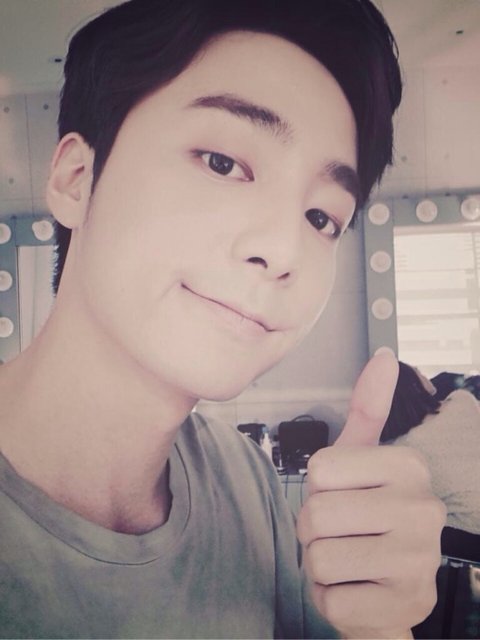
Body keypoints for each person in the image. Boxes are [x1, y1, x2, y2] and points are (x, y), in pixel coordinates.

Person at [0, 1, 445, 638]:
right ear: (76, 179)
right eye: (222, 162)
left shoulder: (249, 485)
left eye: (321, 218)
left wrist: (378, 626)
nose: (284, 251)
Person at [383, 362, 480, 542]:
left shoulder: (401, 451)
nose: (423, 374)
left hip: (467, 532)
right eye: (417, 371)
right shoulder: (461, 401)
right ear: (413, 384)